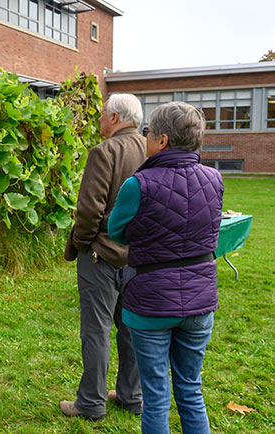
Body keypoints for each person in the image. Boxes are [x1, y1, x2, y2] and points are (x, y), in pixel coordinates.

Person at [107, 101, 223, 434]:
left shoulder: (138, 184)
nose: (145, 138)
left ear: (162, 141)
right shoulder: (215, 180)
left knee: (156, 396)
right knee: (191, 389)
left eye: (148, 133)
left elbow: (117, 231)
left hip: (151, 301)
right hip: (200, 301)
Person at [61, 94, 145, 420]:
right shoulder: (152, 152)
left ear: (114, 118)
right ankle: (131, 396)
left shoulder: (104, 152)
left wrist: (82, 244)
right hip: (138, 258)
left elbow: (89, 210)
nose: (99, 121)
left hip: (102, 255)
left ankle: (91, 403)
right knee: (131, 329)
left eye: (102, 115)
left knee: (96, 331)